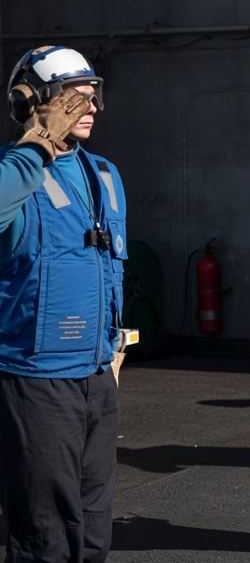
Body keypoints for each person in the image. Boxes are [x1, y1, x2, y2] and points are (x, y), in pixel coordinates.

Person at [0, 45, 128, 562]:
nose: (91, 106)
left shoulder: (105, 174)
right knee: (45, 534)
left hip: (98, 375)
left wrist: (115, 350)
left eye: (94, 95)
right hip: (37, 379)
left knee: (94, 526)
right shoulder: (18, 173)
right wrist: (38, 145)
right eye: (75, 98)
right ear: (33, 101)